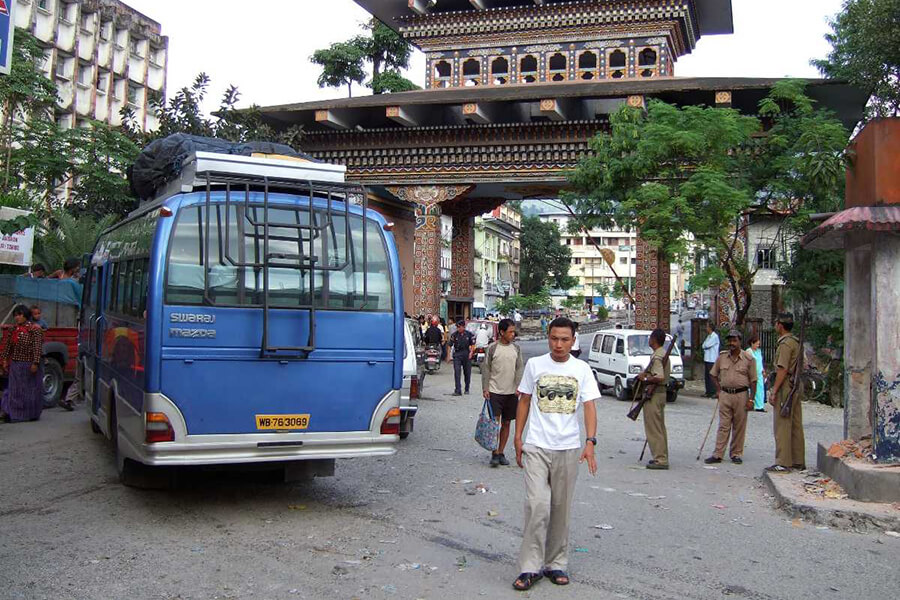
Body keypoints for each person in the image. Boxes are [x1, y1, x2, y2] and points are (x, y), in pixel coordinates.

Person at [512, 317, 599, 591]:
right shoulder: (535, 365)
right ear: (547, 337)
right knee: (537, 505)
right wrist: (517, 436)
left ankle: (556, 563)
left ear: (574, 341)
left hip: (568, 446)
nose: (558, 344)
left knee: (560, 508)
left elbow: (589, 406)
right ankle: (529, 567)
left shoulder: (582, 369)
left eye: (564, 339)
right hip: (537, 445)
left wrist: (590, 442)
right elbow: (524, 399)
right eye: (554, 338)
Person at [705, 330, 757, 465]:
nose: (731, 343)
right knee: (723, 425)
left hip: (741, 395)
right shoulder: (722, 357)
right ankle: (718, 454)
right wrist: (718, 390)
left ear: (740, 341)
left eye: (734, 340)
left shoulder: (748, 359)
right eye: (730, 340)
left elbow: (753, 381)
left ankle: (736, 453)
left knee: (739, 426)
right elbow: (713, 374)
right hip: (725, 394)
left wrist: (751, 399)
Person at [482, 318, 525, 467]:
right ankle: (494, 453)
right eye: (510, 331)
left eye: (514, 331)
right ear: (501, 332)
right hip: (495, 391)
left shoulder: (516, 349)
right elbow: (486, 368)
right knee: (495, 423)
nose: (513, 334)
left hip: (511, 393)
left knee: (507, 423)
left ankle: (501, 452)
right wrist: (485, 388)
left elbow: (519, 368)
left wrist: (520, 386)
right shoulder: (492, 348)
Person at [767, 313, 805, 473]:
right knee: (795, 424)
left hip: (786, 386)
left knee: (782, 424)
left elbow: (782, 369)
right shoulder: (795, 342)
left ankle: (783, 461)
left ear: (780, 325)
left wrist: (774, 391)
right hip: (795, 385)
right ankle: (797, 460)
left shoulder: (785, 344)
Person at [0, 305, 45, 423]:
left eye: (20, 315)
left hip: (29, 365)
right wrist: (4, 360)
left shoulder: (34, 329)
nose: (17, 317)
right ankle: (13, 414)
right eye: (15, 315)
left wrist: (35, 363)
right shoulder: (13, 330)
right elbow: (8, 347)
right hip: (16, 365)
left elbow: (37, 347)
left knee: (30, 391)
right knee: (14, 391)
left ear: (25, 315)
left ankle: (29, 414)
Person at [640, 329, 672, 470]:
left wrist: (645, 378)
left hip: (655, 393)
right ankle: (661, 456)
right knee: (659, 426)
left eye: (650, 337)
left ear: (654, 339)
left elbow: (659, 377)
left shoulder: (658, 356)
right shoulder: (661, 354)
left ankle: (660, 459)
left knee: (654, 428)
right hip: (659, 393)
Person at [448, 320, 475, 396]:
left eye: (460, 327)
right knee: (457, 372)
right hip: (457, 354)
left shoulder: (469, 334)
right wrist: (448, 356)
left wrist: (471, 352)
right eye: (457, 327)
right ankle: (458, 390)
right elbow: (450, 345)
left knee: (467, 373)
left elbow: (473, 344)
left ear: (463, 327)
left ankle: (467, 388)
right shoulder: (454, 335)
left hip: (466, 354)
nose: (458, 328)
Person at [747, 334, 766, 412]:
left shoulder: (758, 351)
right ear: (752, 343)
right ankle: (752, 404)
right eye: (757, 343)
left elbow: (760, 362)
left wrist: (763, 370)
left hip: (759, 373)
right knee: (752, 389)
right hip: (752, 372)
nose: (758, 345)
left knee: (760, 389)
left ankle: (760, 406)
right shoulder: (749, 351)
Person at [702, 322, 720, 398]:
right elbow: (703, 345)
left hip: (712, 359)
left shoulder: (714, 336)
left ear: (710, 328)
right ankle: (708, 391)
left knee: (712, 376)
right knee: (707, 376)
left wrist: (705, 345)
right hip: (707, 358)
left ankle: (714, 391)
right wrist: (705, 345)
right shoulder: (709, 336)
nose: (706, 328)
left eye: (707, 327)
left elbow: (707, 345)